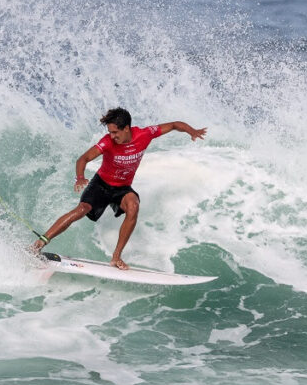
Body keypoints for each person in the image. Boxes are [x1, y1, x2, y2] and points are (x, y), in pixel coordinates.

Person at [32, 107, 207, 270]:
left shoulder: (145, 134)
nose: (112, 136)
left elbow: (175, 125)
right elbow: (83, 158)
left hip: (122, 188)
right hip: (101, 184)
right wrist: (80, 177)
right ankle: (39, 244)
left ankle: (116, 257)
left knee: (133, 206)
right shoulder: (107, 142)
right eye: (110, 132)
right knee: (82, 209)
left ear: (126, 128)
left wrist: (192, 131)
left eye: (115, 132)